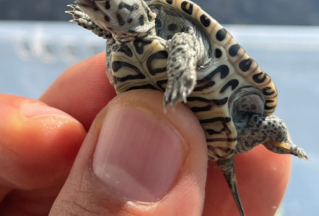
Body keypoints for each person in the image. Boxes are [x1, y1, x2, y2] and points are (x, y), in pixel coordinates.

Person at [0, 53, 291, 215]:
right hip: (213, 136)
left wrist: (181, 72)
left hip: (234, 112)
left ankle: (284, 143)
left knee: (271, 127)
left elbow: (187, 43)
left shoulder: (170, 23)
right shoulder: (120, 44)